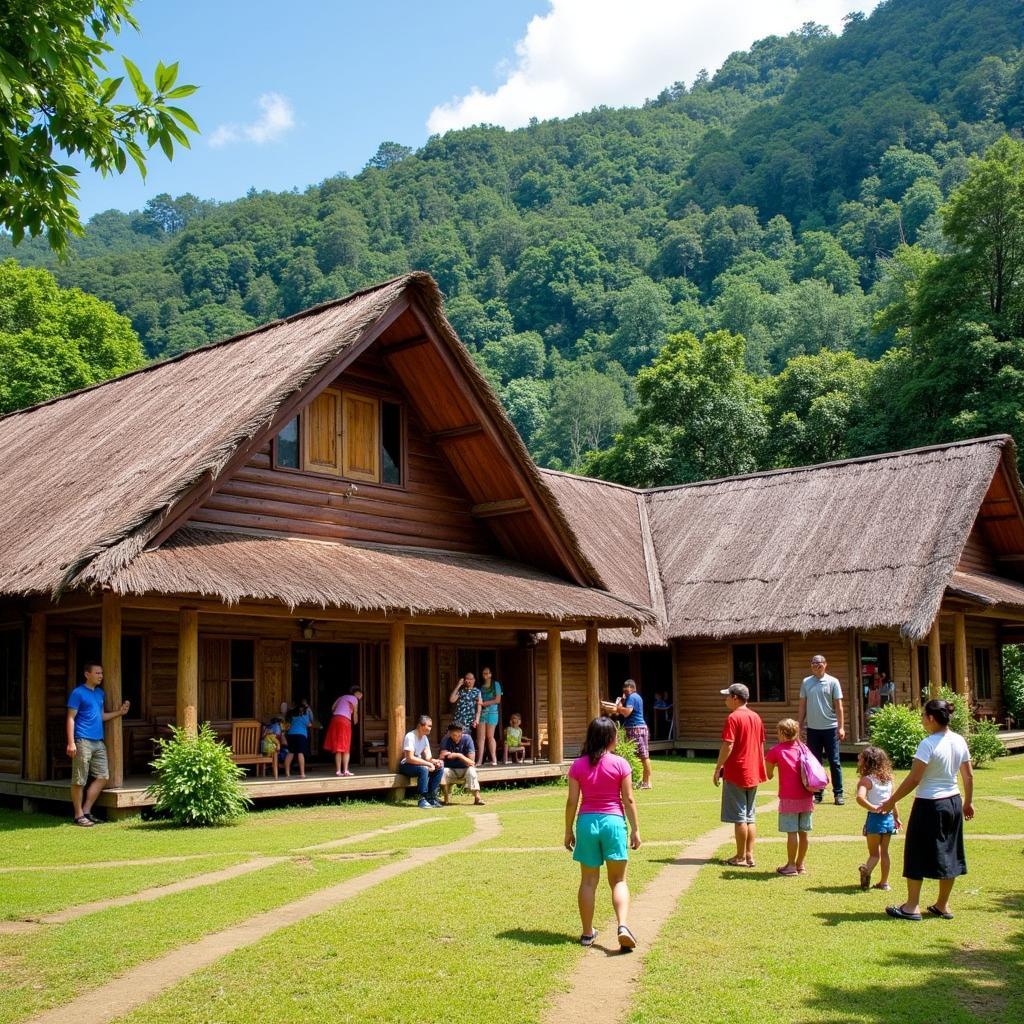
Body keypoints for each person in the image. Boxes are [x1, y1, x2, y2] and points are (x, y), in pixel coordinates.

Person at [880, 699, 974, 921]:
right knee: (951, 851)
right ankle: (942, 905)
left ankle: (911, 906)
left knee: (915, 852)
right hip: (953, 802)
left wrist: (891, 800)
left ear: (931, 718)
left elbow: (914, 778)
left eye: (923, 715)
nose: (922, 719)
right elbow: (968, 775)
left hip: (929, 804)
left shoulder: (928, 743)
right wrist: (968, 802)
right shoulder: (959, 740)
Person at [564, 716, 641, 950]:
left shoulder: (577, 765)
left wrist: (568, 830)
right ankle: (623, 926)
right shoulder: (620, 764)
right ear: (610, 738)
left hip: (586, 823)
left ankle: (587, 933)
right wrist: (636, 829)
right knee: (618, 880)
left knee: (588, 881)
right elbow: (628, 799)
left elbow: (571, 801)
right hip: (614, 822)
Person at [66, 662, 130, 826]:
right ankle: (78, 815)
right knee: (79, 779)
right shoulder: (78, 693)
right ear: (87, 674)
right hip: (82, 740)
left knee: (103, 777)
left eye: (101, 673)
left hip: (98, 742)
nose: (100, 676)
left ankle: (86, 811)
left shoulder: (100, 693)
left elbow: (101, 717)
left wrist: (120, 713)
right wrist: (71, 742)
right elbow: (70, 718)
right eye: (97, 673)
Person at [713, 683, 767, 868]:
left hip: (737, 771)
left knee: (740, 817)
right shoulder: (756, 717)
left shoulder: (733, 717)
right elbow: (760, 745)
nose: (725, 699)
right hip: (752, 772)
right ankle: (750, 854)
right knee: (750, 816)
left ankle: (740, 856)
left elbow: (728, 744)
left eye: (727, 696)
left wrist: (718, 767)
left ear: (735, 697)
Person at [765, 718, 813, 876]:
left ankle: (791, 866)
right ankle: (801, 865)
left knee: (792, 832)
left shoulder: (776, 751)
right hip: (806, 795)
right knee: (803, 832)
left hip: (788, 797)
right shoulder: (803, 748)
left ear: (781, 733)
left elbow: (768, 774)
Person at [799, 655, 846, 805]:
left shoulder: (833, 682)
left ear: (825, 665)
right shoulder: (806, 682)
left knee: (835, 761)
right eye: (813, 664)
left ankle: (838, 794)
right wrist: (799, 725)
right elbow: (802, 705)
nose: (816, 666)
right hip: (813, 729)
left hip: (830, 729)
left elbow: (839, 706)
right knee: (815, 763)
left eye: (819, 664)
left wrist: (841, 727)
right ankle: (818, 793)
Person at [856, 745, 900, 891]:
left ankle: (866, 869)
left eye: (861, 759)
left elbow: (860, 798)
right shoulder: (888, 780)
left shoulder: (866, 780)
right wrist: (896, 817)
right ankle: (884, 883)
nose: (858, 760)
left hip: (875, 820)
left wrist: (873, 807)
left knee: (874, 854)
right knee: (885, 852)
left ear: (867, 762)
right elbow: (892, 801)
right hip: (888, 820)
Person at [610, 679, 652, 789]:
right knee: (634, 755)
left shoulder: (633, 697)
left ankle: (647, 782)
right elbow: (622, 711)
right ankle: (639, 781)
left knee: (644, 756)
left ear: (631, 688)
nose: (624, 690)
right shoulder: (630, 698)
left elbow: (627, 712)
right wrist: (621, 701)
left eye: (626, 688)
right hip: (633, 728)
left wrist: (618, 708)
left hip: (637, 729)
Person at [399, 715, 445, 809]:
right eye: (428, 726)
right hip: (406, 765)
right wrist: (428, 764)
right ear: (420, 725)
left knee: (440, 767)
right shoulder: (410, 736)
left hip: (419, 764)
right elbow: (409, 758)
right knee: (424, 769)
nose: (430, 729)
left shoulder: (424, 738)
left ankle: (431, 797)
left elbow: (428, 758)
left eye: (431, 726)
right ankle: (422, 799)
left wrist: (436, 762)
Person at [439, 722, 485, 805]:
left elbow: (471, 762)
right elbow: (442, 757)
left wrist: (458, 755)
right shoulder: (445, 739)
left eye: (459, 735)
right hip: (451, 769)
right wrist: (443, 757)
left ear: (462, 732)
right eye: (453, 735)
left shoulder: (467, 739)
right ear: (449, 733)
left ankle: (477, 798)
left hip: (465, 769)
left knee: (471, 771)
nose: (456, 738)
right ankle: (446, 798)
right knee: (442, 771)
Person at [323, 686, 362, 776]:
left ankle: (338, 771)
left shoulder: (342, 697)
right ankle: (345, 770)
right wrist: (355, 724)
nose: (360, 697)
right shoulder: (354, 699)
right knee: (345, 746)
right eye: (360, 694)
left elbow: (333, 708)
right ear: (356, 693)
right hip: (344, 721)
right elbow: (355, 712)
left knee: (338, 747)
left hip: (335, 719)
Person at [475, 666, 503, 766]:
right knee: (480, 738)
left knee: (490, 736)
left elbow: (497, 700)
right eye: (484, 673)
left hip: (492, 712)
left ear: (491, 674)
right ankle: (479, 760)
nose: (485, 675)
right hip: (482, 713)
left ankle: (494, 759)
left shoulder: (496, 684)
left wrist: (484, 704)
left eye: (487, 673)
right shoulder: (481, 687)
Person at [284, 699, 316, 778]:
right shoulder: (304, 716)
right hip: (301, 735)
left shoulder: (292, 714)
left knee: (290, 753)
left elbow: (287, 724)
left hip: (291, 735)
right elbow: (309, 724)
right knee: (300, 753)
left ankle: (287, 773)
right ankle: (302, 773)